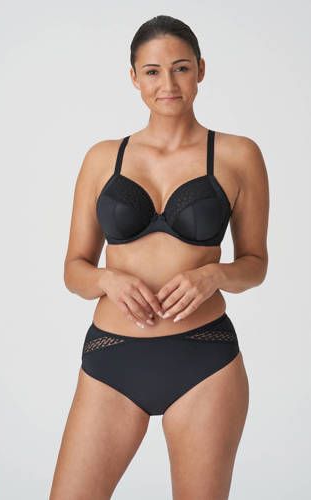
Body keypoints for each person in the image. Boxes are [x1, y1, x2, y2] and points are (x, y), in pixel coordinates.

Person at [50, 14, 269, 500]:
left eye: (181, 68)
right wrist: (107, 280)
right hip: (111, 359)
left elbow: (255, 263)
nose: (167, 84)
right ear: (134, 77)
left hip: (203, 361)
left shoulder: (238, 155)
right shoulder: (102, 158)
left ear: (201, 70)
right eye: (152, 71)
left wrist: (213, 275)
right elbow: (74, 269)